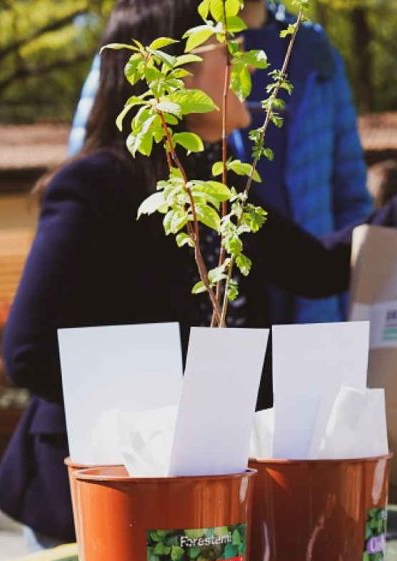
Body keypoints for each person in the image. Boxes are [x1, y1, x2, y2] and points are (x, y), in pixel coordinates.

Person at [0, 0, 397, 549]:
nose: (248, 64)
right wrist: (159, 419)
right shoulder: (96, 185)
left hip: (193, 491)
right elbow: (27, 352)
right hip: (93, 498)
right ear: (173, 73)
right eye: (226, 51)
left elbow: (315, 268)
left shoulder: (221, 187)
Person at [67, 1, 372, 326]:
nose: (246, 69)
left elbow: (344, 213)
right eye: (229, 54)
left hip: (309, 320)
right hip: (186, 336)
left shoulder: (312, 51)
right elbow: (96, 185)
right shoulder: (156, 31)